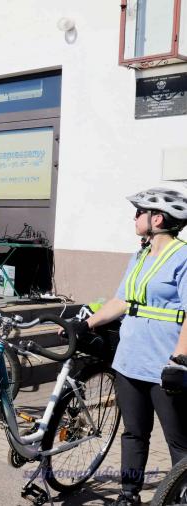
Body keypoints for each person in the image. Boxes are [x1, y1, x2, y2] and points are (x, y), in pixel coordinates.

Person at [72, 187, 187, 506]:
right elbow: (121, 300)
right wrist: (86, 324)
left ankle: (181, 496)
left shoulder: (183, 257)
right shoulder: (139, 256)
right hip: (129, 362)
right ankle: (128, 494)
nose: (134, 218)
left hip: (165, 366)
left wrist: (180, 360)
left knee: (179, 442)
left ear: (157, 219)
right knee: (134, 433)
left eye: (139, 212)